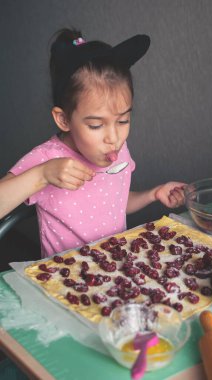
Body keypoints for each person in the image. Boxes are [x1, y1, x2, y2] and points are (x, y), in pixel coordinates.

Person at [0, 28, 186, 258]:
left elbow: (112, 204)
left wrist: (153, 194)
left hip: (115, 272)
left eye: (123, 120)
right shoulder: (47, 159)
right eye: (96, 125)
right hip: (64, 281)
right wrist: (42, 175)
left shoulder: (118, 149)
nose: (114, 138)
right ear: (64, 119)